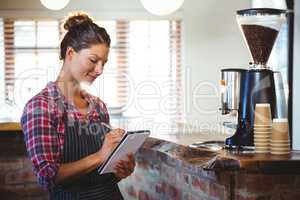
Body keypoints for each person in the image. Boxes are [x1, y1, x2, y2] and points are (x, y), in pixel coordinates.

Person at [20, 12, 135, 200]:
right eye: (93, 60)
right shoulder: (40, 107)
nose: (99, 70)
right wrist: (100, 156)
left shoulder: (99, 106)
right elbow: (48, 176)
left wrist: (120, 169)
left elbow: (103, 173)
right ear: (71, 53)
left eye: (103, 63)